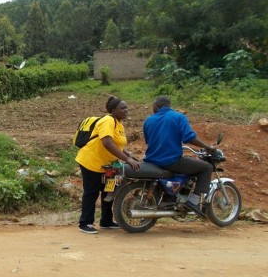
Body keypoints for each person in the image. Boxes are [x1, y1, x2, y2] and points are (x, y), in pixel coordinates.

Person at [75, 96, 140, 234]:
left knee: (108, 191)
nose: (126, 110)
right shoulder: (108, 120)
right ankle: (85, 223)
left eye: (126, 107)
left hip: (107, 165)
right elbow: (107, 142)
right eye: (123, 108)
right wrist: (127, 160)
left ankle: (106, 221)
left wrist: (129, 156)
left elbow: (117, 144)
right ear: (113, 110)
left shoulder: (118, 123)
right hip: (92, 161)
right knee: (91, 192)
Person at [143, 96, 215, 216]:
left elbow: (148, 140)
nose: (152, 109)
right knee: (206, 167)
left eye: (153, 106)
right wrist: (208, 147)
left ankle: (172, 197)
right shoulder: (178, 117)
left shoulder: (149, 120)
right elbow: (189, 137)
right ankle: (194, 201)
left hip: (151, 160)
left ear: (158, 106)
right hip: (171, 161)